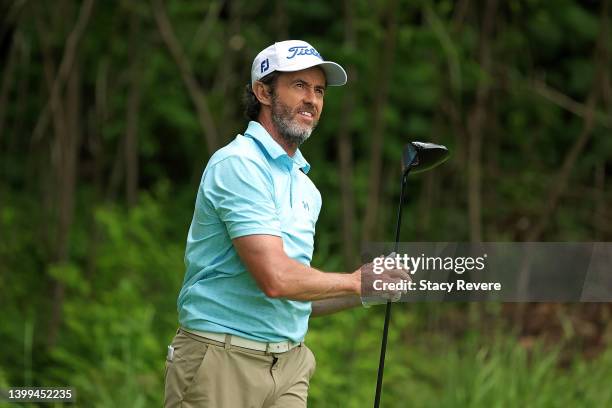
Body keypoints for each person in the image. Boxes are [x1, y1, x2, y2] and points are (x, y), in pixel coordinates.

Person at [164, 40, 407, 408]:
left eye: (319, 90)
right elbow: (276, 279)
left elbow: (297, 296)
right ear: (263, 92)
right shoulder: (238, 165)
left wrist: (366, 290)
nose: (312, 99)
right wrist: (355, 280)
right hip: (222, 360)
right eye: (299, 86)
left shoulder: (307, 188)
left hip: (290, 365)